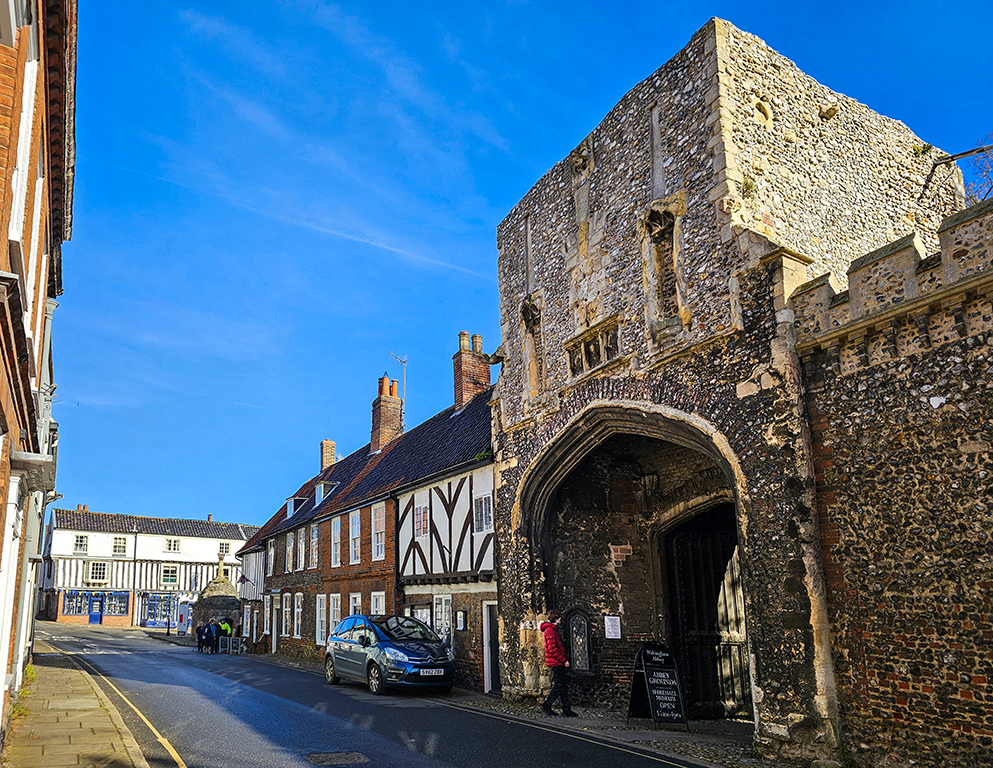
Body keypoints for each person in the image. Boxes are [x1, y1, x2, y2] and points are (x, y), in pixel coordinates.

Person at [540, 609, 578, 717]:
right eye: (559, 618)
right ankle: (547, 705)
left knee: (562, 686)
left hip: (557, 662)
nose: (561, 619)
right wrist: (563, 660)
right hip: (556, 663)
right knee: (558, 685)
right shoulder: (550, 631)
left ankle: (566, 709)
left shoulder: (553, 630)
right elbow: (552, 649)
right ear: (556, 619)